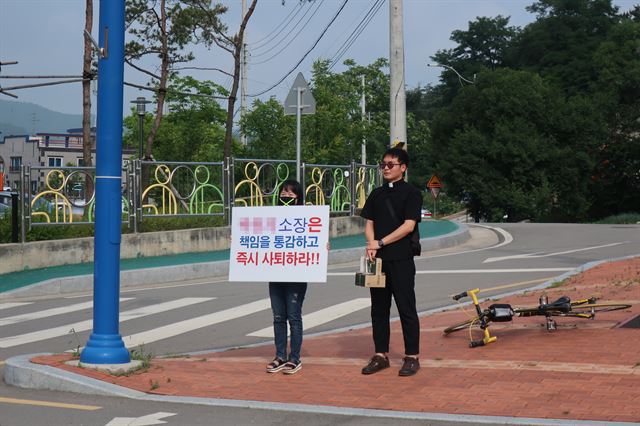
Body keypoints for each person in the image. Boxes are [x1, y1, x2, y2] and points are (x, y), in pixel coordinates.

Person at [359, 146, 422, 377]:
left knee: (406, 308)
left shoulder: (412, 193)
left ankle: (412, 356)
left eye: (390, 165)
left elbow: (409, 226)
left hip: (401, 259)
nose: (385, 168)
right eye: (383, 164)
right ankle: (380, 355)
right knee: (378, 310)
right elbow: (369, 223)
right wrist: (371, 244)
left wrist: (381, 243)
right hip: (378, 261)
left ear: (403, 168)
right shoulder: (376, 194)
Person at [265, 179, 307, 375]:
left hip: (296, 275)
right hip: (276, 272)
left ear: (298, 197)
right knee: (278, 316)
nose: (286, 197)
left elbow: (316, 241)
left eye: (291, 194)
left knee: (293, 316)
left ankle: (294, 358)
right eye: (284, 193)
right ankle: (280, 356)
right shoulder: (271, 216)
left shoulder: (307, 217)